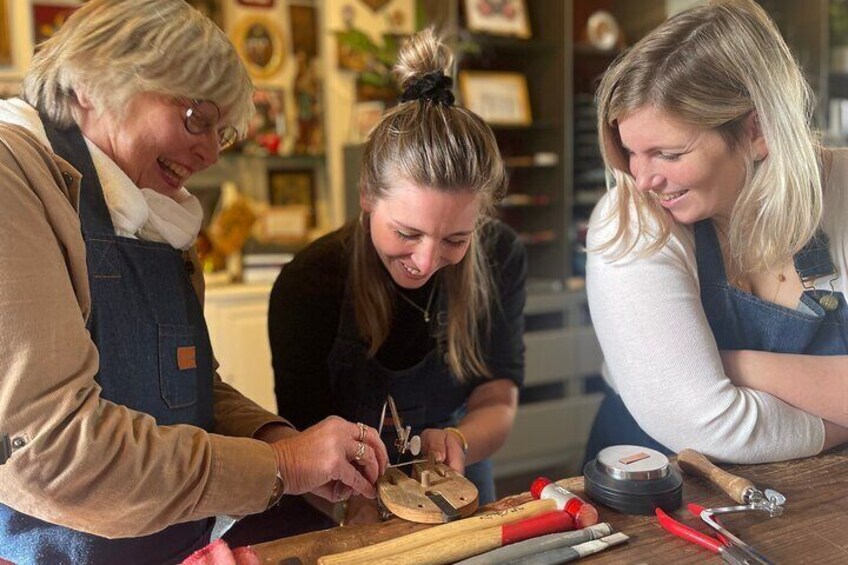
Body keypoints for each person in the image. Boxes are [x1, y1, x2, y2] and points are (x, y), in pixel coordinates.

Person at [0, 1, 387, 563]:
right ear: (92, 80)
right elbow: (53, 450)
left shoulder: (150, 211)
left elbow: (188, 390)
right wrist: (283, 467)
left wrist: (275, 440)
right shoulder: (14, 177)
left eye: (220, 131)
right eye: (194, 119)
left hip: (182, 544)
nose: (207, 152)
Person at [268, 29, 527, 524]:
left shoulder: (500, 257)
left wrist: (459, 441)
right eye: (406, 232)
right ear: (367, 194)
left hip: (458, 485)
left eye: (455, 239)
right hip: (340, 500)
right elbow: (300, 444)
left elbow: (498, 397)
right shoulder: (308, 284)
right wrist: (355, 508)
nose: (426, 262)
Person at [584, 0, 848, 465]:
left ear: (757, 130)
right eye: (631, 152)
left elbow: (706, 398)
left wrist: (733, 367)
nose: (642, 179)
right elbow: (703, 422)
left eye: (668, 153)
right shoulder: (631, 217)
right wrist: (836, 422)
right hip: (661, 484)